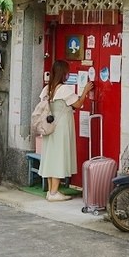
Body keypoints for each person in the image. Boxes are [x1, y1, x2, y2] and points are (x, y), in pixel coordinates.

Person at [38, 59, 93, 201]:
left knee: (50, 157)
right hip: (61, 126)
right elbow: (79, 104)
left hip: (49, 126)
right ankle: (55, 192)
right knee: (58, 157)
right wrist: (85, 90)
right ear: (64, 73)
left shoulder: (47, 88)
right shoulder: (64, 89)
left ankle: (51, 191)